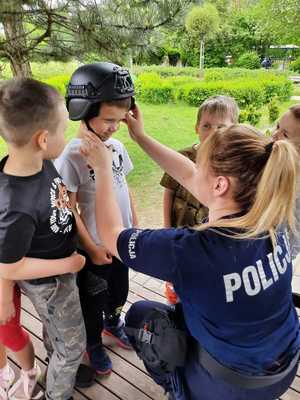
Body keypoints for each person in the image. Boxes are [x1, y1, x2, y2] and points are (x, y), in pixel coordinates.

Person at [80, 105, 300, 400]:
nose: (194, 169)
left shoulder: (191, 249)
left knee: (139, 315)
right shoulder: (273, 216)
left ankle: (182, 390)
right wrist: (141, 137)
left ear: (220, 185)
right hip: (284, 366)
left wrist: (103, 168)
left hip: (232, 386)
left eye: (202, 164)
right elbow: (190, 175)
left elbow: (110, 236)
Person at [0, 78, 86, 400]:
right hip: (51, 282)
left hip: (60, 270)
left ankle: (57, 359)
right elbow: (9, 267)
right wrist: (70, 262)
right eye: (64, 129)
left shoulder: (40, 162)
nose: (67, 136)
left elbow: (61, 201)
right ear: (43, 138)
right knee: (74, 346)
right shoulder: (15, 206)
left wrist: (86, 244)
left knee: (60, 336)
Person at [55, 62, 137, 380]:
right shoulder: (72, 156)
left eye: (120, 120)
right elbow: (69, 209)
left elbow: (124, 187)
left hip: (120, 242)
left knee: (119, 290)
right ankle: (93, 342)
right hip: (96, 249)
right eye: (108, 120)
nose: (114, 127)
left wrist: (133, 225)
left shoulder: (115, 147)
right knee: (93, 299)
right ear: (83, 110)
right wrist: (89, 247)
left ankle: (113, 321)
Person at [160, 95, 239, 304]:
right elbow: (168, 192)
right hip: (180, 232)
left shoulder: (233, 163)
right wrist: (168, 228)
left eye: (220, 126)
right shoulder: (183, 157)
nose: (213, 132)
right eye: (206, 126)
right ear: (196, 128)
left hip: (212, 237)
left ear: (234, 128)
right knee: (179, 275)